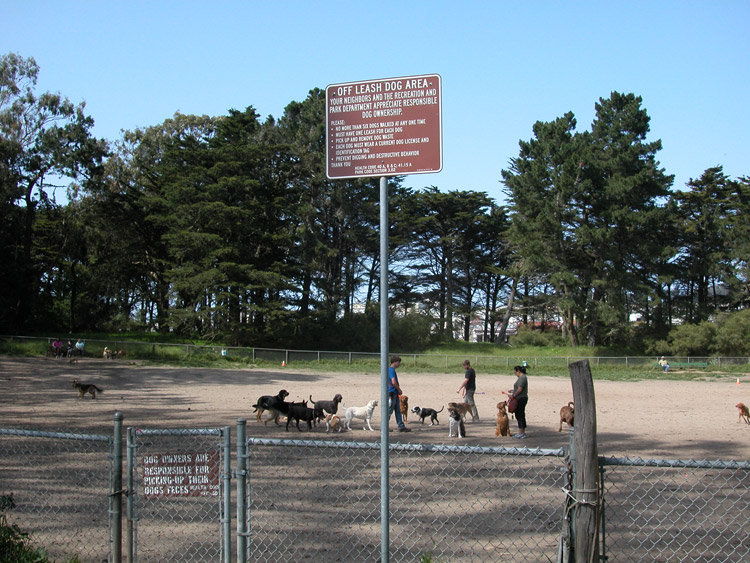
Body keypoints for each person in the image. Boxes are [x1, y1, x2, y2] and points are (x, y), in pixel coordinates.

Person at [388, 356, 410, 432]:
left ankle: (401, 426)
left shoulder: (392, 370)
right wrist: (399, 389)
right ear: (395, 362)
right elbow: (393, 382)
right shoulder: (391, 370)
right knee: (389, 410)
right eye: (399, 362)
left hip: (394, 393)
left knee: (398, 410)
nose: (399, 364)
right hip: (392, 392)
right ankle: (384, 426)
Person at [508, 365, 528, 439]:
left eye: (515, 372)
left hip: (521, 398)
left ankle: (521, 432)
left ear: (518, 371)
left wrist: (513, 396)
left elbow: (520, 389)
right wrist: (513, 391)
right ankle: (521, 432)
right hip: (520, 397)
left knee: (520, 415)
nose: (515, 373)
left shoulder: (522, 378)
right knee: (519, 415)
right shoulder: (522, 378)